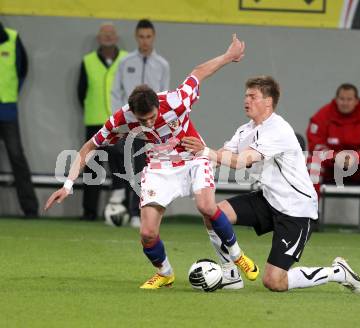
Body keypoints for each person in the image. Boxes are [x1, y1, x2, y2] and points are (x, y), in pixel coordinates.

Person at [45, 34, 259, 290]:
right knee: (147, 233)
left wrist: (228, 56)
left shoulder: (176, 101)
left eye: (151, 118)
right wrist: (67, 185)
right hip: (159, 166)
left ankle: (238, 256)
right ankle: (165, 273)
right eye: (142, 120)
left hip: (192, 158)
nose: (147, 123)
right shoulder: (121, 118)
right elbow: (89, 146)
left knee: (206, 206)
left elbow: (198, 72)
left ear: (157, 105)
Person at [182, 76, 360, 293]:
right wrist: (198, 157)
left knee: (274, 282)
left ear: (268, 102)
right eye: (246, 95)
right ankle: (230, 274)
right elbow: (224, 154)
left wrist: (205, 152)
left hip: (295, 210)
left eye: (253, 96)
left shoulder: (278, 129)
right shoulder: (245, 129)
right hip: (268, 199)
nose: (246, 100)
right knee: (212, 213)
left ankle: (338, 272)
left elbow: (242, 161)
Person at [111, 19, 170, 227]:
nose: (145, 41)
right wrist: (119, 121)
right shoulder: (125, 62)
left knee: (144, 169)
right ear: (137, 37)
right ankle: (124, 208)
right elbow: (116, 92)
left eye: (148, 37)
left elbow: (163, 96)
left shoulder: (162, 65)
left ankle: (139, 213)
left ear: (153, 37)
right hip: (128, 124)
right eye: (141, 37)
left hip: (150, 127)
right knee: (126, 163)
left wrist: (157, 125)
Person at [306, 84, 360, 233]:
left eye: (349, 99)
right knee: (313, 164)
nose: (345, 102)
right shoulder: (323, 115)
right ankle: (312, 217)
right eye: (342, 99)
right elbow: (314, 144)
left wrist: (355, 157)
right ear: (336, 99)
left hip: (359, 168)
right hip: (331, 166)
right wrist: (335, 157)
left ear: (356, 100)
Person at [77, 22, 127, 221]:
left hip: (120, 122)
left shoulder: (126, 60)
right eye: (104, 34)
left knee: (121, 166)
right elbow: (80, 92)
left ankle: (120, 210)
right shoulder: (87, 61)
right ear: (99, 38)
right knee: (92, 166)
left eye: (111, 34)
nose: (108, 37)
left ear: (116, 37)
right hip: (95, 120)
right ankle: (89, 212)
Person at [0, 22, 39, 217]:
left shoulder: (13, 38)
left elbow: (22, 70)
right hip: (7, 110)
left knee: (17, 157)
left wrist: (10, 93)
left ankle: (30, 209)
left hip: (7, 110)